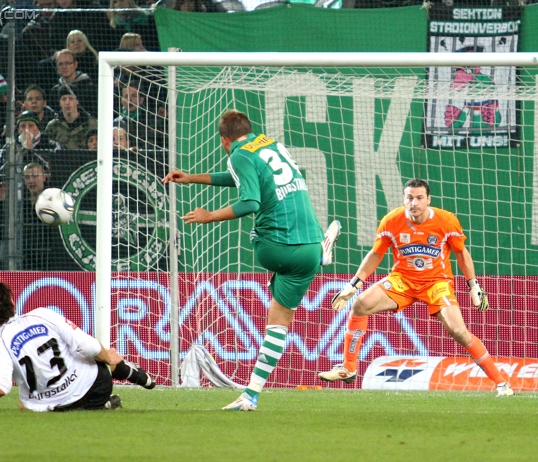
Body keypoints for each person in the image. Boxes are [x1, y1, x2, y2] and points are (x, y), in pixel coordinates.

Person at [162, 109, 341, 411]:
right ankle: (251, 394)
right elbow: (243, 179)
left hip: (276, 248)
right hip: (307, 248)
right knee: (278, 323)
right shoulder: (269, 144)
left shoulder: (238, 154)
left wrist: (209, 217)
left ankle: (251, 395)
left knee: (259, 234)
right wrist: (193, 178)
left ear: (224, 140)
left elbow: (250, 200)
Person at [317, 178, 514, 397]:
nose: (414, 203)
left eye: (419, 198)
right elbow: (376, 254)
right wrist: (355, 283)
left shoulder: (446, 221)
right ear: (404, 199)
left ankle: (501, 383)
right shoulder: (391, 221)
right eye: (410, 197)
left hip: (436, 283)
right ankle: (348, 368)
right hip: (403, 280)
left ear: (428, 199)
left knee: (459, 332)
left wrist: (473, 285)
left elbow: (461, 252)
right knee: (360, 304)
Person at [0, 277, 155, 412]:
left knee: (24, 404)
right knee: (90, 350)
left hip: (57, 408)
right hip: (96, 387)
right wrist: (110, 359)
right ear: (11, 300)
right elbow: (87, 346)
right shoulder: (42, 315)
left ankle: (102, 404)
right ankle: (126, 371)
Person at [49, 49, 97, 116]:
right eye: (60, 64)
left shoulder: (90, 87)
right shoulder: (55, 91)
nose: (64, 67)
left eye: (67, 63)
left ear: (75, 64)